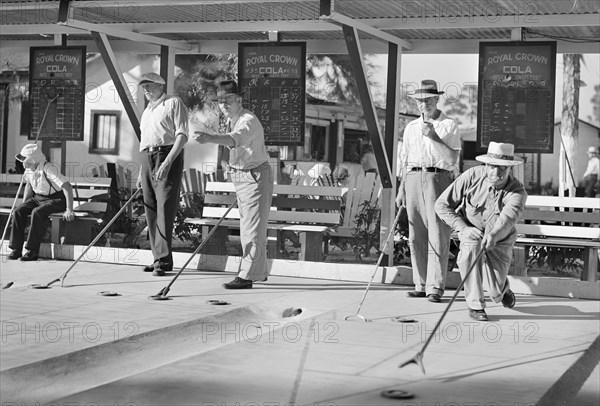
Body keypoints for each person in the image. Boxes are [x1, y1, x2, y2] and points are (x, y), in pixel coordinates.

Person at [193, 80, 274, 289]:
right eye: (220, 101)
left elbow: (235, 140)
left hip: (254, 175)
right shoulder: (233, 119)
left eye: (227, 100)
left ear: (239, 99)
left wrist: (210, 138)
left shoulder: (247, 120)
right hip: (243, 175)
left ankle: (247, 276)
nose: (223, 105)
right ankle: (259, 272)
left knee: (251, 230)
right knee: (251, 226)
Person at [435, 142, 527, 321]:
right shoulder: (471, 176)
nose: (496, 173)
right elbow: (441, 204)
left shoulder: (517, 192)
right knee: (471, 246)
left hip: (500, 239)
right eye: (493, 167)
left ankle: (502, 291)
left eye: (503, 169)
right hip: (471, 231)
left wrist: (493, 235)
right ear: (486, 165)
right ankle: (475, 306)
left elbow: (507, 220)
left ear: (510, 169)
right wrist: (463, 227)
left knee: (494, 291)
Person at [396, 79, 461, 303]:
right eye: (420, 101)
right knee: (416, 235)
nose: (424, 105)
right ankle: (421, 283)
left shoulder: (448, 125)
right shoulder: (411, 128)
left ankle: (436, 287)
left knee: (438, 234)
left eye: (429, 100)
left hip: (437, 178)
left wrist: (433, 137)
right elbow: (404, 161)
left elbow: (453, 159)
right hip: (413, 178)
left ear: (437, 99)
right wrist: (402, 190)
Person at [136, 73, 189, 276]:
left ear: (160, 85)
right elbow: (144, 141)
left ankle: (162, 260)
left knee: (165, 208)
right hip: (147, 157)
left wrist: (168, 162)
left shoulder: (173, 103)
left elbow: (182, 135)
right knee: (150, 209)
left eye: (150, 86)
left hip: (166, 154)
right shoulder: (147, 111)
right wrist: (143, 172)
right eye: (144, 88)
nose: (147, 91)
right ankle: (159, 258)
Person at [7, 143, 75, 261]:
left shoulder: (49, 168)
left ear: (34, 159)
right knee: (18, 211)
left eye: (26, 160)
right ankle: (16, 249)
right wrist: (24, 204)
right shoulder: (28, 170)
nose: (23, 163)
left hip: (56, 199)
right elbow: (29, 186)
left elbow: (67, 187)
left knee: (37, 212)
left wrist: (69, 209)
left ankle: (32, 251)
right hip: (38, 198)